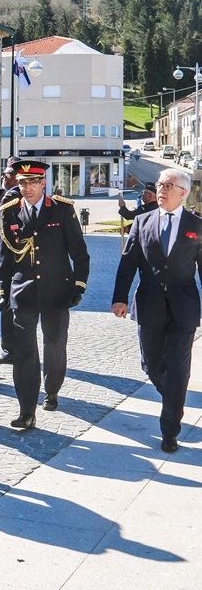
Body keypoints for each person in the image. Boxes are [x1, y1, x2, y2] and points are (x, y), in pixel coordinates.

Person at [112, 168, 202, 453]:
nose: (161, 189)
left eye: (168, 185)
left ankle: (170, 430)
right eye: (160, 184)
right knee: (150, 365)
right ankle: (174, 397)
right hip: (149, 305)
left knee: (178, 367)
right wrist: (119, 298)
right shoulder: (142, 221)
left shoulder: (196, 225)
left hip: (184, 308)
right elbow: (128, 263)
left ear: (183, 193)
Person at [0, 160, 89, 429]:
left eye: (31, 183)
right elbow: (3, 258)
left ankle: (52, 389)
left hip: (56, 290)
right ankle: (27, 410)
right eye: (22, 183)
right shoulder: (9, 212)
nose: (26, 188)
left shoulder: (62, 210)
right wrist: (2, 291)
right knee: (25, 351)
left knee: (55, 342)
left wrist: (78, 286)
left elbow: (79, 253)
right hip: (23, 291)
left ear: (42, 183)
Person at [0, 157, 22, 365]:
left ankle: (10, 349)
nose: (3, 177)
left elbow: (3, 236)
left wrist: (0, 263)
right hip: (10, 260)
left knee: (7, 305)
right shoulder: (17, 196)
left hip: (5, 261)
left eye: (7, 174)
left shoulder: (11, 197)